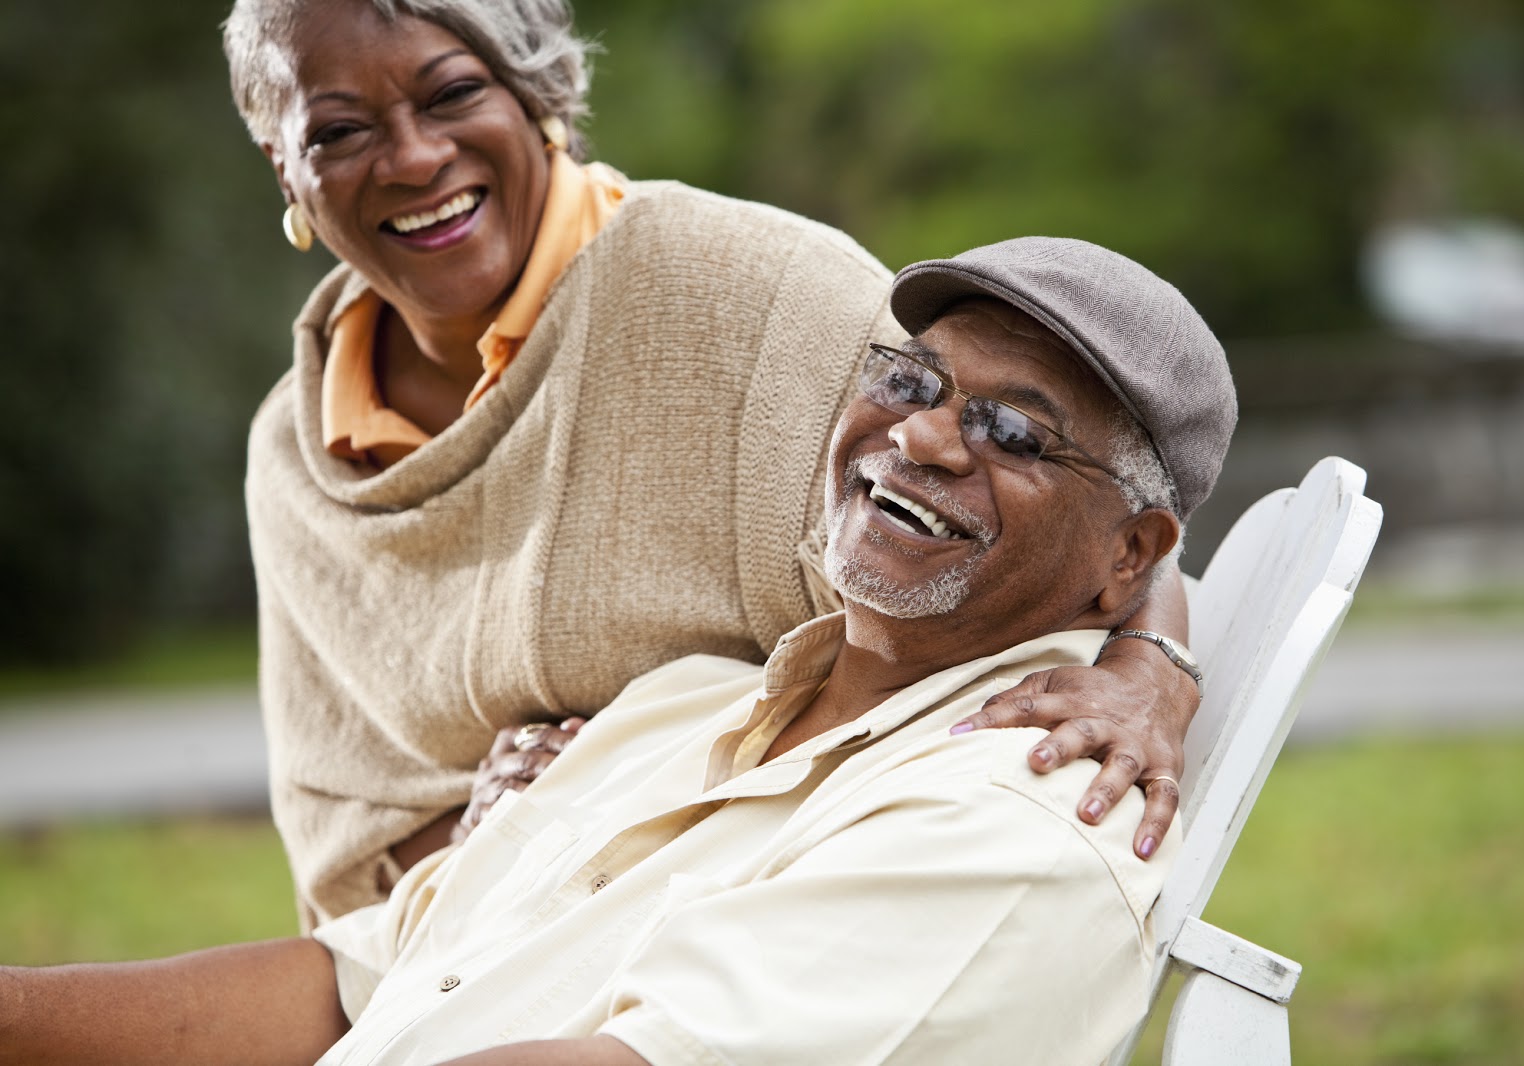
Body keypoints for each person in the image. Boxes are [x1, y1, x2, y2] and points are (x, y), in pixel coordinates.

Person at [0, 235, 1235, 1066]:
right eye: (909, 378)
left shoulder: (1015, 826)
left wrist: (1155, 666)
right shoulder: (677, 707)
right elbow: (353, 986)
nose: (921, 440)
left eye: (1011, 429)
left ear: (1131, 555)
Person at [224, 0, 1205, 929]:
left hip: (774, 911)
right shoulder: (294, 457)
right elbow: (348, 824)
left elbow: (1079, 515)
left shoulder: (754, 290)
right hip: (466, 959)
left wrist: (1147, 669)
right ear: (282, 168)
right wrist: (497, 839)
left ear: (535, 92)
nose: (412, 157)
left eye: (451, 94)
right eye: (338, 131)